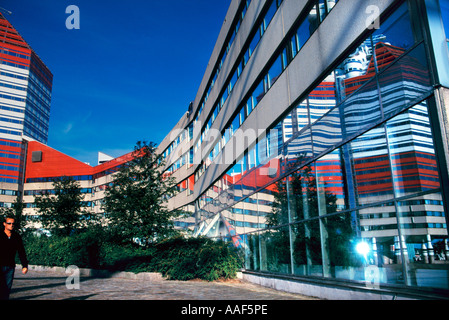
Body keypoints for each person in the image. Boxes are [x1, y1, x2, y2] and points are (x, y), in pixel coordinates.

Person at [0, 216, 28, 300]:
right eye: (9, 223)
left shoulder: (16, 237)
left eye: (13, 223)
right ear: (4, 224)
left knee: (7, 289)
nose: (11, 225)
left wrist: (25, 265)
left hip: (10, 266)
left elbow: (21, 252)